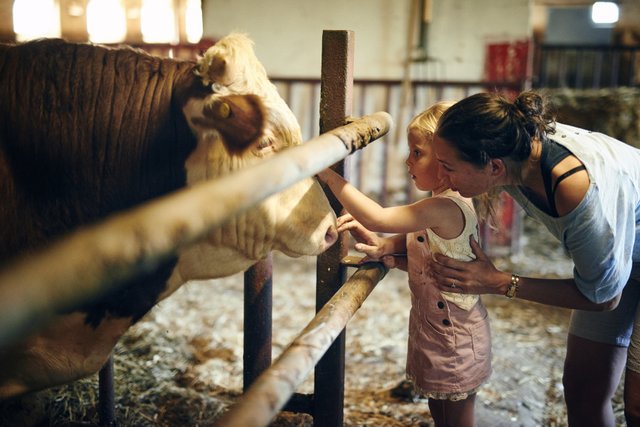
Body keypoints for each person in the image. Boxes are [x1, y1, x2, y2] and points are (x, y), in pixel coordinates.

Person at [428, 90, 640, 427]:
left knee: (637, 405)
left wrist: (499, 282)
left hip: (622, 254)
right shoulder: (512, 151)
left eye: (447, 167)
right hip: (624, 249)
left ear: (493, 167)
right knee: (583, 390)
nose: (440, 176)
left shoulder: (573, 188)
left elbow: (604, 299)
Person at [318, 102, 492, 427]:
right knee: (440, 413)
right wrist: (384, 247)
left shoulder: (445, 206)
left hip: (455, 336)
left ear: (445, 161)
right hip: (436, 330)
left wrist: (329, 175)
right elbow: (420, 242)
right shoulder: (436, 207)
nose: (407, 160)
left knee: (456, 419)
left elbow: (379, 216)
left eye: (417, 153)